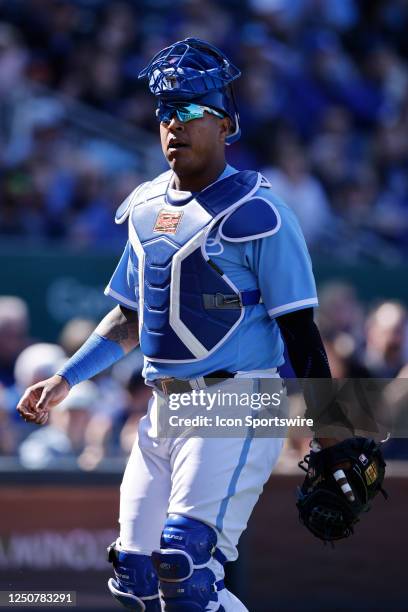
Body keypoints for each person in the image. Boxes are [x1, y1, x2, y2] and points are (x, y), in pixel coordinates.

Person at [17, 38, 333, 612]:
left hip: (235, 399)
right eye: (165, 112)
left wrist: (335, 428)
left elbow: (302, 332)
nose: (173, 125)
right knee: (133, 576)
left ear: (225, 124)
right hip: (163, 406)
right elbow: (132, 315)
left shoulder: (261, 211)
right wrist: (65, 378)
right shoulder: (144, 205)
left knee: (185, 569)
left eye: (189, 111)